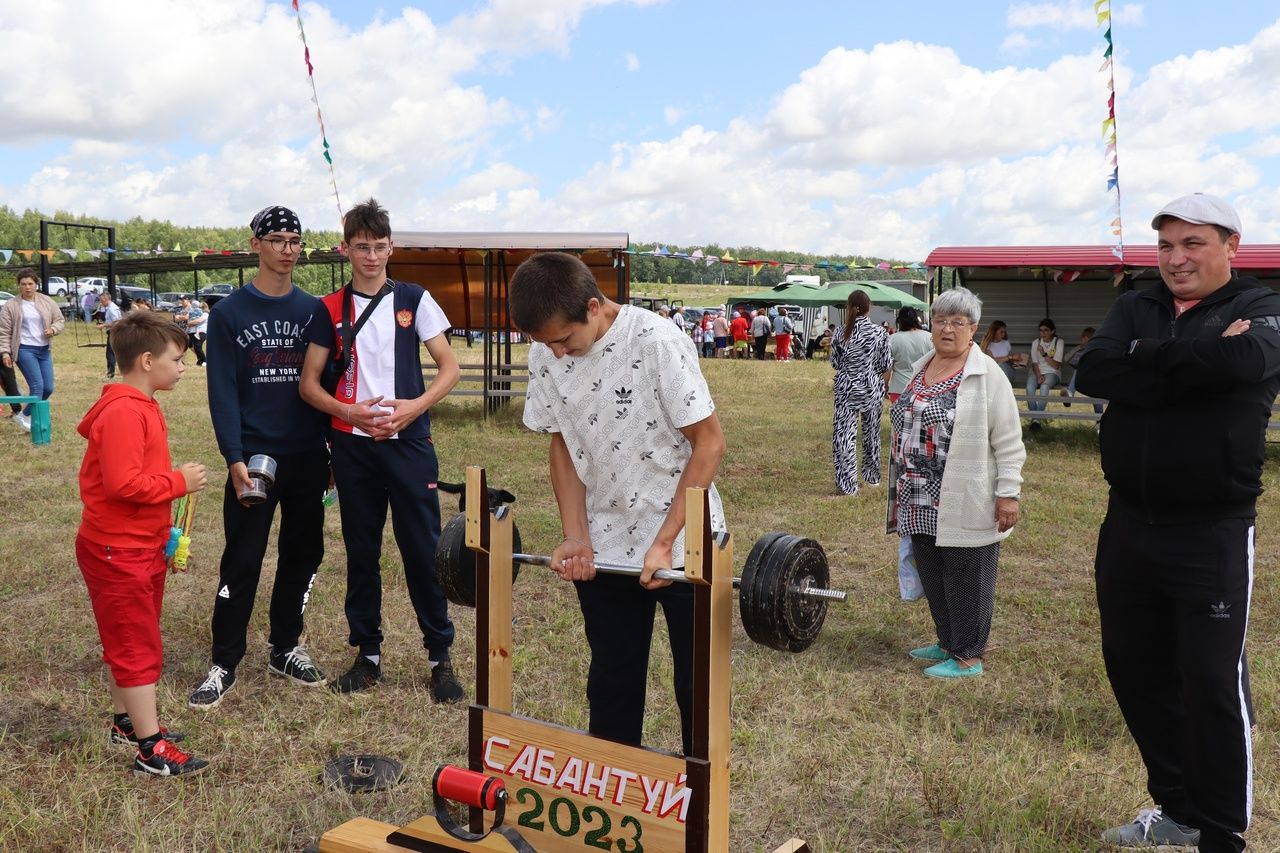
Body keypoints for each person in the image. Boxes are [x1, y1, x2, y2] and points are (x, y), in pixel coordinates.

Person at [1077, 194, 1279, 852]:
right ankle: (1178, 808)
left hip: (1213, 528)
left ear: (1231, 246)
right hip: (1129, 522)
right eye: (1165, 245)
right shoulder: (1136, 302)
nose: (1175, 258)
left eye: (1192, 243)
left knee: (1211, 681)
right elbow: (1094, 369)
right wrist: (1184, 358)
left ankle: (1221, 834)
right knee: (1133, 666)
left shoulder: (1258, 308)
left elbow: (1247, 362)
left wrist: (1145, 361)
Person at [509, 251, 725, 756]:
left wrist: (665, 541)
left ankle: (700, 810)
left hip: (686, 544)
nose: (556, 354)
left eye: (563, 339)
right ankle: (616, 802)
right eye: (545, 344)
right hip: (606, 544)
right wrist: (575, 535)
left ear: (594, 306)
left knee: (698, 688)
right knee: (611, 683)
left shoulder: (656, 341)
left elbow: (709, 443)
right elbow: (562, 443)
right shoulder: (546, 353)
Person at [299, 198, 463, 701]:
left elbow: (449, 368)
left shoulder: (415, 298)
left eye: (380, 247)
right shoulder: (328, 308)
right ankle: (367, 654)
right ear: (345, 249)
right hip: (353, 449)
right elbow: (309, 385)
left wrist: (414, 408)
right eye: (361, 247)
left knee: (422, 550)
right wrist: (348, 414)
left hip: (409, 444)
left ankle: (440, 657)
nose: (371, 256)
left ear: (392, 247)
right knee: (362, 550)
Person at [187, 205, 331, 711]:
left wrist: (332, 450)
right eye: (277, 240)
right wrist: (233, 457)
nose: (287, 249)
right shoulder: (229, 313)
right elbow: (222, 392)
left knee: (303, 553)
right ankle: (224, 660)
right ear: (256, 245)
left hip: (308, 455)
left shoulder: (314, 311)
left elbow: (328, 384)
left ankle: (285, 646)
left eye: (295, 240)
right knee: (243, 558)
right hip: (254, 459)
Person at [75, 311, 209, 775]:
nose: (183, 367)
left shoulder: (143, 404)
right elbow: (122, 484)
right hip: (118, 550)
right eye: (178, 359)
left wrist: (162, 534)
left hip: (138, 544)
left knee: (132, 637)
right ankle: (150, 749)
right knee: (136, 647)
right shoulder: (125, 412)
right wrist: (178, 482)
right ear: (148, 360)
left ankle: (125, 723)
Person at [888, 287, 1024, 679]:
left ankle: (968, 655)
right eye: (941, 320)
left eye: (957, 322)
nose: (947, 329)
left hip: (965, 493)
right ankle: (947, 640)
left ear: (973, 328)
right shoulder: (922, 364)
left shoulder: (986, 375)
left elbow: (1009, 440)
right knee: (932, 570)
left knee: (967, 574)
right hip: (916, 493)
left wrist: (1008, 494)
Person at [883, 306, 934, 602]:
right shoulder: (928, 338)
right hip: (922, 388)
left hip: (899, 388)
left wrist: (888, 384)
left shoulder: (893, 340)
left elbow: (887, 367)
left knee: (899, 431)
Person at [831, 290, 891, 495]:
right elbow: (885, 364)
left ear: (849, 307)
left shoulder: (840, 332)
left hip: (847, 387)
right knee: (871, 433)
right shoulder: (880, 333)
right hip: (871, 386)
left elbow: (835, 363)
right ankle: (872, 476)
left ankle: (848, 483)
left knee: (844, 435)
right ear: (869, 308)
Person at [0, 268, 65, 431]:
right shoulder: (11, 305)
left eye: (30, 283)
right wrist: (5, 352)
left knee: (48, 388)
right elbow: (4, 331)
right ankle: (27, 419)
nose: (27, 287)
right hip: (24, 350)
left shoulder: (46, 301)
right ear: (19, 286)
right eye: (23, 284)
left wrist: (53, 329)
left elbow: (59, 320)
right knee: (38, 387)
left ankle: (24, 414)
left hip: (44, 350)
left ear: (36, 284)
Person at [1025, 317, 1064, 430]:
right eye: (1041, 330)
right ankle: (1035, 419)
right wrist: (1038, 375)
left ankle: (1036, 419)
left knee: (1044, 386)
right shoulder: (1036, 342)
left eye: (1046, 330)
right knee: (1029, 387)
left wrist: (1044, 354)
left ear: (1052, 331)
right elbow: (1034, 363)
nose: (1043, 333)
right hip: (1037, 372)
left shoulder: (1059, 342)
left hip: (1053, 373)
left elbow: (1056, 365)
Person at [1060, 327, 1102, 414]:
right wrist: (1078, 348)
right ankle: (1069, 395)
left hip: (1095, 379)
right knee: (1077, 370)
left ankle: (1099, 421)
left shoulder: (1098, 349)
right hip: (1082, 378)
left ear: (1089, 338)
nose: (1081, 339)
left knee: (1095, 395)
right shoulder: (1080, 350)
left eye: (1084, 337)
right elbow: (1066, 359)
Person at [97, 291, 123, 380]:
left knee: (110, 353)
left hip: (113, 332)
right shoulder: (110, 308)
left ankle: (110, 373)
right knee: (110, 353)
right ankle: (110, 372)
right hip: (112, 332)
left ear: (105, 299)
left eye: (101, 300)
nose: (101, 302)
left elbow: (117, 322)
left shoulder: (112, 308)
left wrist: (104, 325)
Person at [176, 296, 207, 367]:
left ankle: (203, 360)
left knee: (196, 346)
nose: (182, 301)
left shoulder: (203, 313)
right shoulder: (184, 309)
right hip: (190, 331)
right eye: (181, 300)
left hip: (198, 331)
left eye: (183, 300)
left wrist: (189, 322)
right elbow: (177, 318)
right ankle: (200, 360)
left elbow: (196, 320)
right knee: (190, 346)